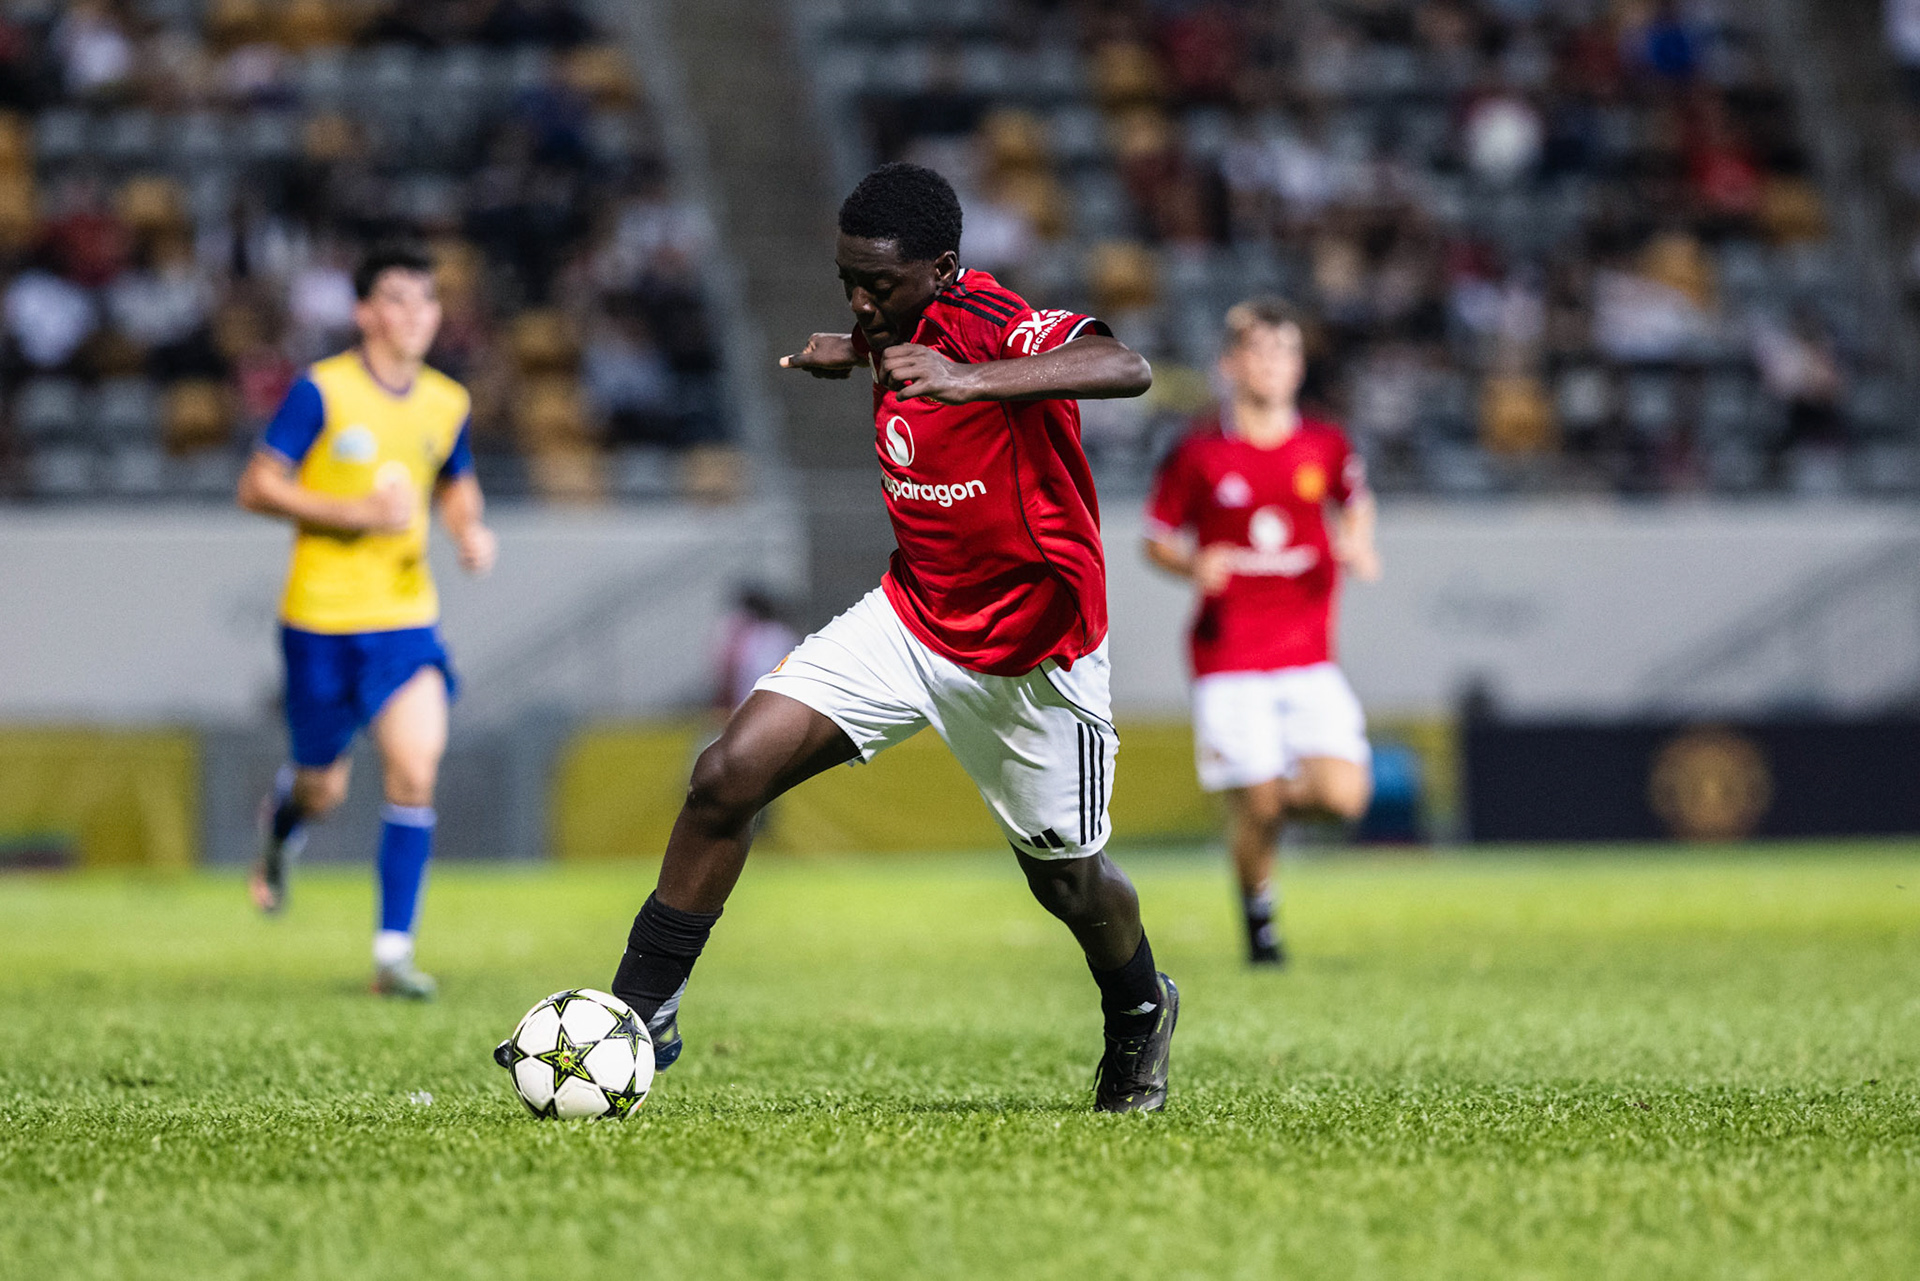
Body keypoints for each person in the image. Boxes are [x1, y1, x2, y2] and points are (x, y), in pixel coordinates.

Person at [593, 162, 1177, 1111]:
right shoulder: (885, 329)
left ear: (944, 269)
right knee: (724, 775)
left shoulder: (991, 322)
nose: (862, 301)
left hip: (1035, 655)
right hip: (910, 621)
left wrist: (969, 380)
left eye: (881, 284)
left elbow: (1127, 366)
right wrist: (858, 349)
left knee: (1071, 884)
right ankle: (634, 1016)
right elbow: (889, 339)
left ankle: (1140, 1011)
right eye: (847, 281)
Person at [237, 244, 497, 999]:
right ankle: (285, 819)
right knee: (325, 787)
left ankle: (392, 953)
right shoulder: (322, 391)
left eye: (427, 299)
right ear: (363, 312)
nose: (416, 313)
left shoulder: (447, 401)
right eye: (397, 298)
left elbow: (456, 480)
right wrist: (350, 512)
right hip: (319, 622)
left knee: (415, 769)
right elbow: (257, 485)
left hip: (406, 620)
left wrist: (469, 530)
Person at [1143, 298, 1380, 966]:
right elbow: (1156, 539)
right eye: (1259, 349)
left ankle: (1257, 819)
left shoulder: (1326, 445)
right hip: (1231, 657)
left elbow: (1357, 503)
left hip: (1308, 654)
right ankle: (1260, 919)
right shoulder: (1198, 452)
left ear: (1300, 366)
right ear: (1230, 363)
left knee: (1343, 796)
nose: (1273, 363)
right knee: (1259, 796)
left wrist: (1357, 543)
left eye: (1285, 350)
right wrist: (1194, 562)